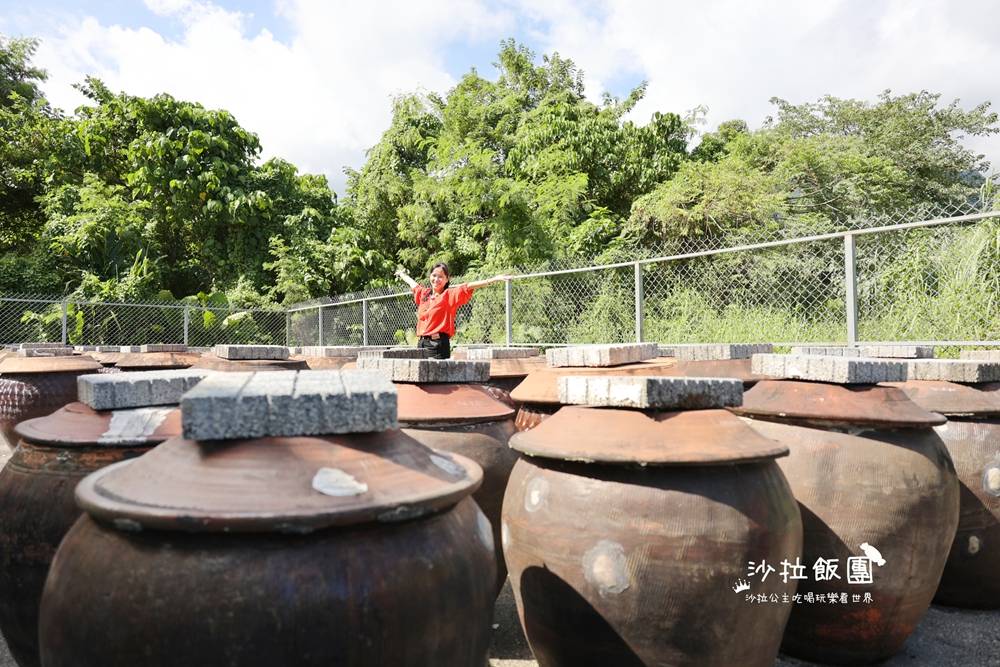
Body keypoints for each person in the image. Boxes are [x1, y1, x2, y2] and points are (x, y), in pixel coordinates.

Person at [394, 263, 509, 359]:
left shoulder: (448, 295)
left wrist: (494, 279)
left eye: (440, 277)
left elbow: (467, 286)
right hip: (421, 344)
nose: (436, 279)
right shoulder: (425, 294)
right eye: (434, 275)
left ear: (446, 279)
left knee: (437, 382)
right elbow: (414, 285)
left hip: (437, 344)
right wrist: (402, 274)